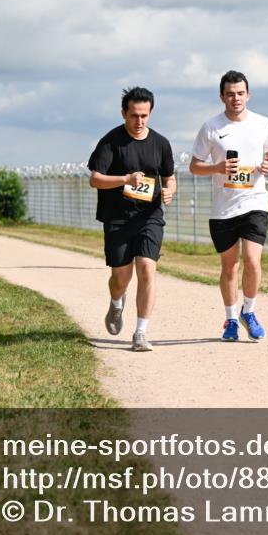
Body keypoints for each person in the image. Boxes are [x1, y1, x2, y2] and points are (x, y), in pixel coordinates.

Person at [189, 70, 268, 342]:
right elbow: (194, 166)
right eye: (230, 94)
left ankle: (249, 312)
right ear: (222, 96)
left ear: (248, 95)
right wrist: (216, 167)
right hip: (224, 208)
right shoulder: (211, 127)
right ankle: (230, 319)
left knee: (252, 260)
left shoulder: (262, 123)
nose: (235, 98)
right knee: (229, 267)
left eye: (240, 93)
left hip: (255, 201)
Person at [88, 87, 176, 352]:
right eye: (134, 115)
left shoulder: (161, 143)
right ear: (124, 113)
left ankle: (140, 333)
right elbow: (95, 179)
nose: (140, 122)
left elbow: (169, 177)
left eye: (145, 116)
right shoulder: (110, 142)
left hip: (149, 215)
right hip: (117, 217)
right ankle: (116, 303)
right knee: (121, 277)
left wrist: (170, 190)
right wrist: (125, 179)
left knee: (147, 268)